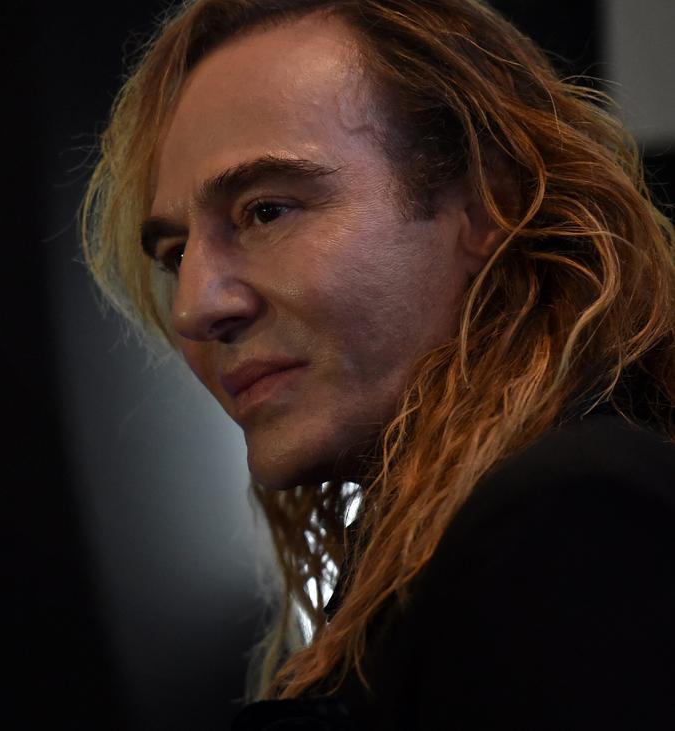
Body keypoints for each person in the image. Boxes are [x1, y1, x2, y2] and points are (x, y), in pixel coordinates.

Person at [80, 0, 675, 728]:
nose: (194, 307)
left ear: (488, 206)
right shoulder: (453, 547)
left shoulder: (570, 520)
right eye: (175, 255)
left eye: (266, 211)